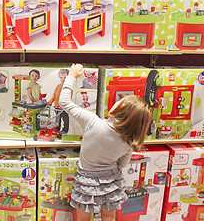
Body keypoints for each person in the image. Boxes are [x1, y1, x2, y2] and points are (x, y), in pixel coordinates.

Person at [59, 64, 152, 221]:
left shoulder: (93, 121)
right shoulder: (129, 140)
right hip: (111, 180)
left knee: (83, 217)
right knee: (109, 216)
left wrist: (71, 76)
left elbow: (64, 102)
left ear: (120, 109)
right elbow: (122, 164)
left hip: (86, 179)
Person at [48, 68, 72, 134]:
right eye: (61, 77)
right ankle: (57, 129)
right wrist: (50, 102)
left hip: (63, 107)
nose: (63, 79)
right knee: (57, 119)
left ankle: (65, 129)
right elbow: (54, 96)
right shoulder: (58, 86)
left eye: (65, 77)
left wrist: (64, 105)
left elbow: (69, 98)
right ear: (59, 77)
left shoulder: (68, 87)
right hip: (56, 107)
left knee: (65, 118)